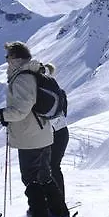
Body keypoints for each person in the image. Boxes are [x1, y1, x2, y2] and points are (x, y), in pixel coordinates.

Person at [0, 41, 73, 217]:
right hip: (42, 134)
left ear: (14, 58)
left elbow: (20, 111)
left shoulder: (22, 79)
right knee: (45, 178)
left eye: (7, 57)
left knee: (31, 181)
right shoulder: (37, 74)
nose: (6, 61)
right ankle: (60, 215)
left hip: (31, 137)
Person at [42, 62, 70, 201]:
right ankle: (58, 201)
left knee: (48, 167)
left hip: (48, 134)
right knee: (54, 166)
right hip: (61, 132)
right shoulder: (59, 92)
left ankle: (53, 202)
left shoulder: (39, 93)